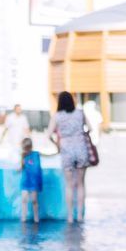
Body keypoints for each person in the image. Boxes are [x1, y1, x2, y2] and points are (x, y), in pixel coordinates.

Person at [48, 90, 91, 223]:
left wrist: (58, 144)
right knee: (81, 184)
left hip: (66, 150)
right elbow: (90, 128)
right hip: (81, 149)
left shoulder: (57, 116)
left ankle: (70, 217)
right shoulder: (80, 113)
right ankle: (79, 215)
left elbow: (48, 134)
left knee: (69, 185)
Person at [20, 137, 42, 222]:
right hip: (25, 181)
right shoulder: (23, 155)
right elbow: (22, 167)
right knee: (24, 199)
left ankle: (36, 217)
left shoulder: (36, 154)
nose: (26, 150)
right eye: (25, 149)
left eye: (27, 148)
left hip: (34, 182)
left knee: (34, 200)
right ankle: (23, 217)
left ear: (31, 147)